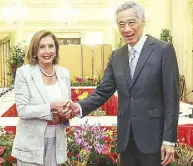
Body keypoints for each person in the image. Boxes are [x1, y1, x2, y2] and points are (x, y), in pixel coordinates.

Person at [61, 1, 179, 166]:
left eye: (132, 23)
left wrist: (169, 140)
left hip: (154, 138)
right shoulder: (117, 56)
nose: (126, 29)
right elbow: (103, 91)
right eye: (121, 24)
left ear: (142, 22)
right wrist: (78, 107)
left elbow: (171, 99)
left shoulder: (162, 50)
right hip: (125, 139)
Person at [11, 30, 72, 166]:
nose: (47, 51)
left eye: (51, 46)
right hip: (31, 145)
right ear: (34, 51)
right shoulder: (24, 73)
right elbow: (22, 110)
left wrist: (67, 113)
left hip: (57, 143)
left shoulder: (64, 73)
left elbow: (67, 104)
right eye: (42, 47)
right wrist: (50, 107)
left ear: (56, 50)